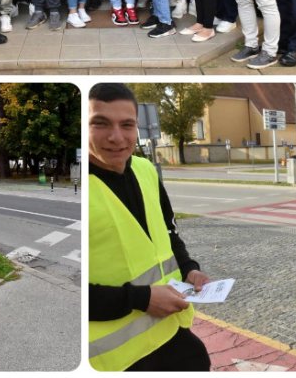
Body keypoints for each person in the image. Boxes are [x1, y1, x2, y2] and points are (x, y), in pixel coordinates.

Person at [88, 83, 211, 371]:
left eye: (127, 125)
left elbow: (169, 234)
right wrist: (140, 299)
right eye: (100, 123)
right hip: (114, 359)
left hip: (170, 329)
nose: (116, 137)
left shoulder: (144, 170)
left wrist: (189, 268)